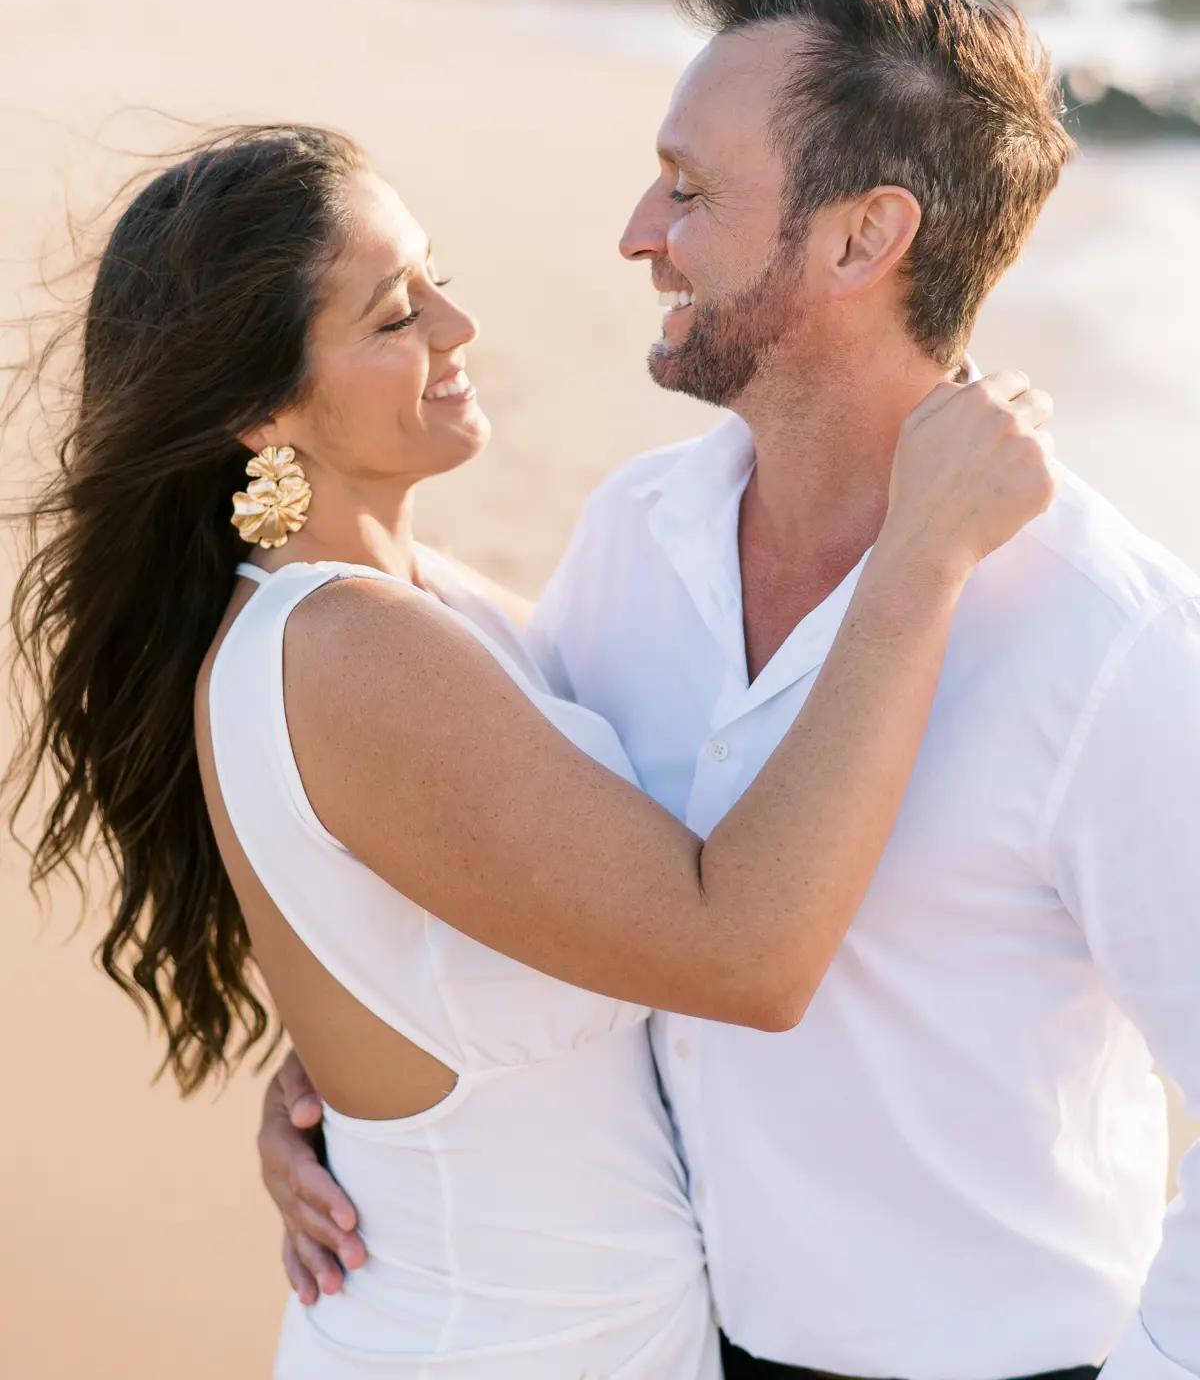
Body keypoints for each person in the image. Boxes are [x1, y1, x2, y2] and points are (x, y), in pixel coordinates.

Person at [265, 0, 1200, 1380]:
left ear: (857, 240)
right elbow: (554, 885)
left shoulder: (1110, 638)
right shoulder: (636, 536)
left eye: (691, 190)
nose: (641, 229)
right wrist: (355, 1096)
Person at [7, 116, 1053, 1379]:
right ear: (258, 410)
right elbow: (746, 952)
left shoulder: (424, 600)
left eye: (436, 276)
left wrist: (342, 1066)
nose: (456, 327)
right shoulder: (343, 645)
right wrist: (920, 557)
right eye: (395, 317)